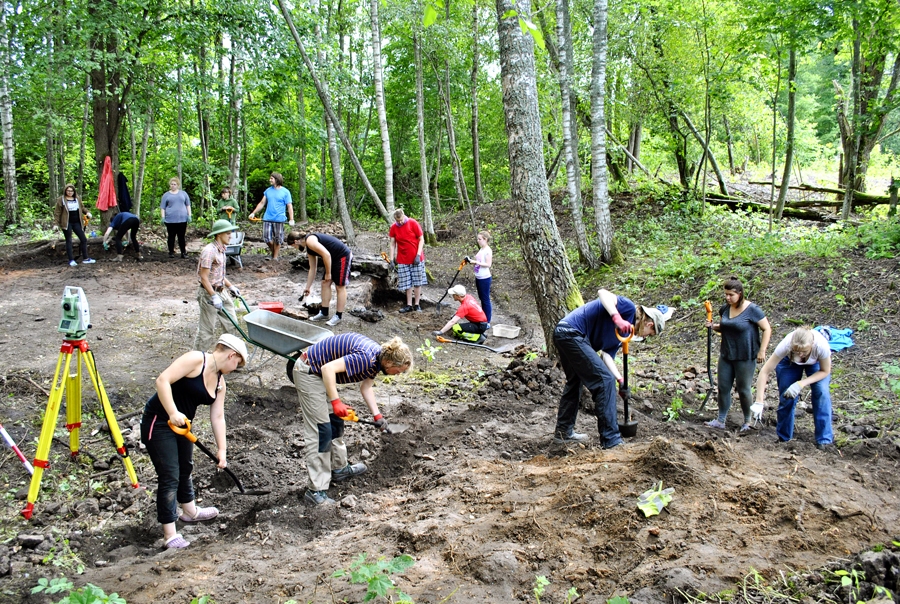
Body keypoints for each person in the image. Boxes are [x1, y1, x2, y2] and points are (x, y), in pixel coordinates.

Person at [140, 334, 248, 549]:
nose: (236, 368)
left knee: (185, 468)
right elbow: (162, 380)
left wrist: (222, 450)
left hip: (181, 427)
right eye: (237, 364)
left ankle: (190, 512)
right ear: (231, 355)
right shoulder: (195, 360)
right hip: (159, 422)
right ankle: (170, 535)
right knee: (169, 475)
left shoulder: (219, 383)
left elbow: (218, 417)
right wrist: (172, 412)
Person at [292, 333, 412, 505]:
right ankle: (315, 491)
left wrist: (377, 416)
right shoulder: (366, 358)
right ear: (389, 362)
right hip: (309, 372)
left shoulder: (377, 360)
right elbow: (327, 369)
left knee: (335, 422)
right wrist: (336, 401)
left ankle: (339, 468)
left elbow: (366, 387)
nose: (398, 374)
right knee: (321, 431)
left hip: (319, 374)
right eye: (398, 370)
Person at [553, 289, 670, 449]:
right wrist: (617, 318)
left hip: (566, 335)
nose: (644, 337)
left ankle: (563, 434)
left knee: (575, 383)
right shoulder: (627, 308)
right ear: (650, 324)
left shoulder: (623, 335)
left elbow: (607, 356)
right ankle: (611, 441)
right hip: (572, 333)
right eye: (649, 334)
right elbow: (602, 293)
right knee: (604, 381)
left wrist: (621, 381)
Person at [704, 277, 772, 432]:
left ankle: (748, 421)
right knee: (723, 387)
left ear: (740, 294)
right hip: (727, 354)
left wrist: (762, 350)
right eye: (726, 294)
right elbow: (725, 327)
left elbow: (767, 329)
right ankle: (721, 419)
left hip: (745, 355)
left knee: (743, 389)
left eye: (731, 295)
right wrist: (713, 326)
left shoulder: (752, 310)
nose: (728, 298)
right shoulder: (725, 309)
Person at [754, 327, 833, 449]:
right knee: (786, 396)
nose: (800, 354)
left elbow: (825, 371)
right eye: (796, 350)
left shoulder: (821, 345)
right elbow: (765, 371)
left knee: (821, 393)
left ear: (812, 344)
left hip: (816, 364)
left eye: (804, 351)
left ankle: (824, 440)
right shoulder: (786, 345)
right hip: (789, 362)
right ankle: (784, 438)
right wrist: (759, 401)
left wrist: (801, 384)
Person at [194, 220, 243, 351]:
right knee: (207, 331)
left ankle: (227, 358)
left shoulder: (222, 250)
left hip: (222, 291)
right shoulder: (209, 251)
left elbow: (218, 275)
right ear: (219, 235)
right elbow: (204, 277)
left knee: (232, 324)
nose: (230, 236)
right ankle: (197, 361)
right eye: (228, 233)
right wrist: (213, 296)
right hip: (209, 293)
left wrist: (231, 286)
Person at [287, 231, 352, 327]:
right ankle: (324, 313)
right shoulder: (309, 249)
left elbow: (326, 255)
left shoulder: (310, 240)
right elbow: (313, 268)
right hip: (332, 259)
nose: (296, 248)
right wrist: (308, 287)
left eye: (294, 246)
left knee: (340, 286)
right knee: (325, 283)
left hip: (342, 256)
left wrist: (329, 273)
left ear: (296, 241)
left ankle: (338, 316)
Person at [249, 172, 294, 260]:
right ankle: (274, 253)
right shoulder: (268, 191)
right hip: (267, 218)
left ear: (277, 179)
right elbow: (262, 203)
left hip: (279, 219)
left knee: (278, 239)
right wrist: (253, 213)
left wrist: (291, 219)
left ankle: (275, 258)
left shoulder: (285, 192)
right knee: (266, 238)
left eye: (271, 178)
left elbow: (289, 206)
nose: (270, 180)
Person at [388, 208, 426, 313]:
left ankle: (417, 304)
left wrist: (418, 255)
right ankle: (409, 304)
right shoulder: (394, 227)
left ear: (404, 215)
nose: (400, 222)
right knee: (407, 283)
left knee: (417, 282)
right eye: (397, 221)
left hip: (416, 258)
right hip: (403, 259)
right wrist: (391, 260)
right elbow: (392, 244)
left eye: (401, 220)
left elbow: (421, 239)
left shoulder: (413, 223)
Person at [53, 184, 95, 266]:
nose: (70, 192)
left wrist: (87, 212)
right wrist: (55, 224)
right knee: (69, 240)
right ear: (65, 191)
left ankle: (86, 258)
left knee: (83, 239)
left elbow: (82, 207)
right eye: (68, 191)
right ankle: (71, 260)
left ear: (74, 191)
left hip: (77, 222)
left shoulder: (77, 198)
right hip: (67, 223)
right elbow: (57, 212)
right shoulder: (61, 199)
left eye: (71, 191)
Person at [161, 177, 191, 258]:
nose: (173, 186)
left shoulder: (183, 194)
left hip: (182, 219)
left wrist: (189, 215)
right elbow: (163, 207)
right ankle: (171, 252)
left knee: (181, 236)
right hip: (170, 220)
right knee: (171, 236)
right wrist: (163, 217)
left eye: (175, 184)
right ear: (170, 185)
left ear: (178, 185)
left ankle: (183, 252)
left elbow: (188, 205)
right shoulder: (166, 195)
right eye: (172, 184)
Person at [467, 231, 493, 324]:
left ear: (485, 239)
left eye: (480, 239)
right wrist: (471, 261)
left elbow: (488, 264)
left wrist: (476, 262)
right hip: (479, 276)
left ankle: (487, 320)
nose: (478, 241)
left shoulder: (488, 250)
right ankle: (483, 317)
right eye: (478, 239)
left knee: (485, 299)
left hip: (485, 278)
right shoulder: (482, 249)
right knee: (482, 298)